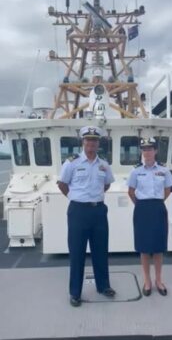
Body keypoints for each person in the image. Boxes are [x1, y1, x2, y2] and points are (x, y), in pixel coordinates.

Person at [58, 126, 115, 307]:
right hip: (78, 212)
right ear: (83, 142)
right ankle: (75, 292)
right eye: (88, 140)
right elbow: (62, 184)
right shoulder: (72, 163)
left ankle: (103, 286)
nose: (91, 143)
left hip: (98, 211)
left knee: (101, 250)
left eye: (94, 140)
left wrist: (93, 198)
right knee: (77, 253)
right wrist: (76, 198)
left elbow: (106, 185)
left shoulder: (104, 165)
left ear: (98, 143)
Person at [127, 137, 172, 297]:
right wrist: (142, 205)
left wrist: (157, 202)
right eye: (144, 149)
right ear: (141, 151)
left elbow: (168, 189)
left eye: (150, 149)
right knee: (144, 247)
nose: (147, 152)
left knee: (158, 248)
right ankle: (147, 281)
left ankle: (158, 280)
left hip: (158, 208)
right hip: (142, 209)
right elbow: (131, 192)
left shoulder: (164, 170)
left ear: (155, 151)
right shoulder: (135, 171)